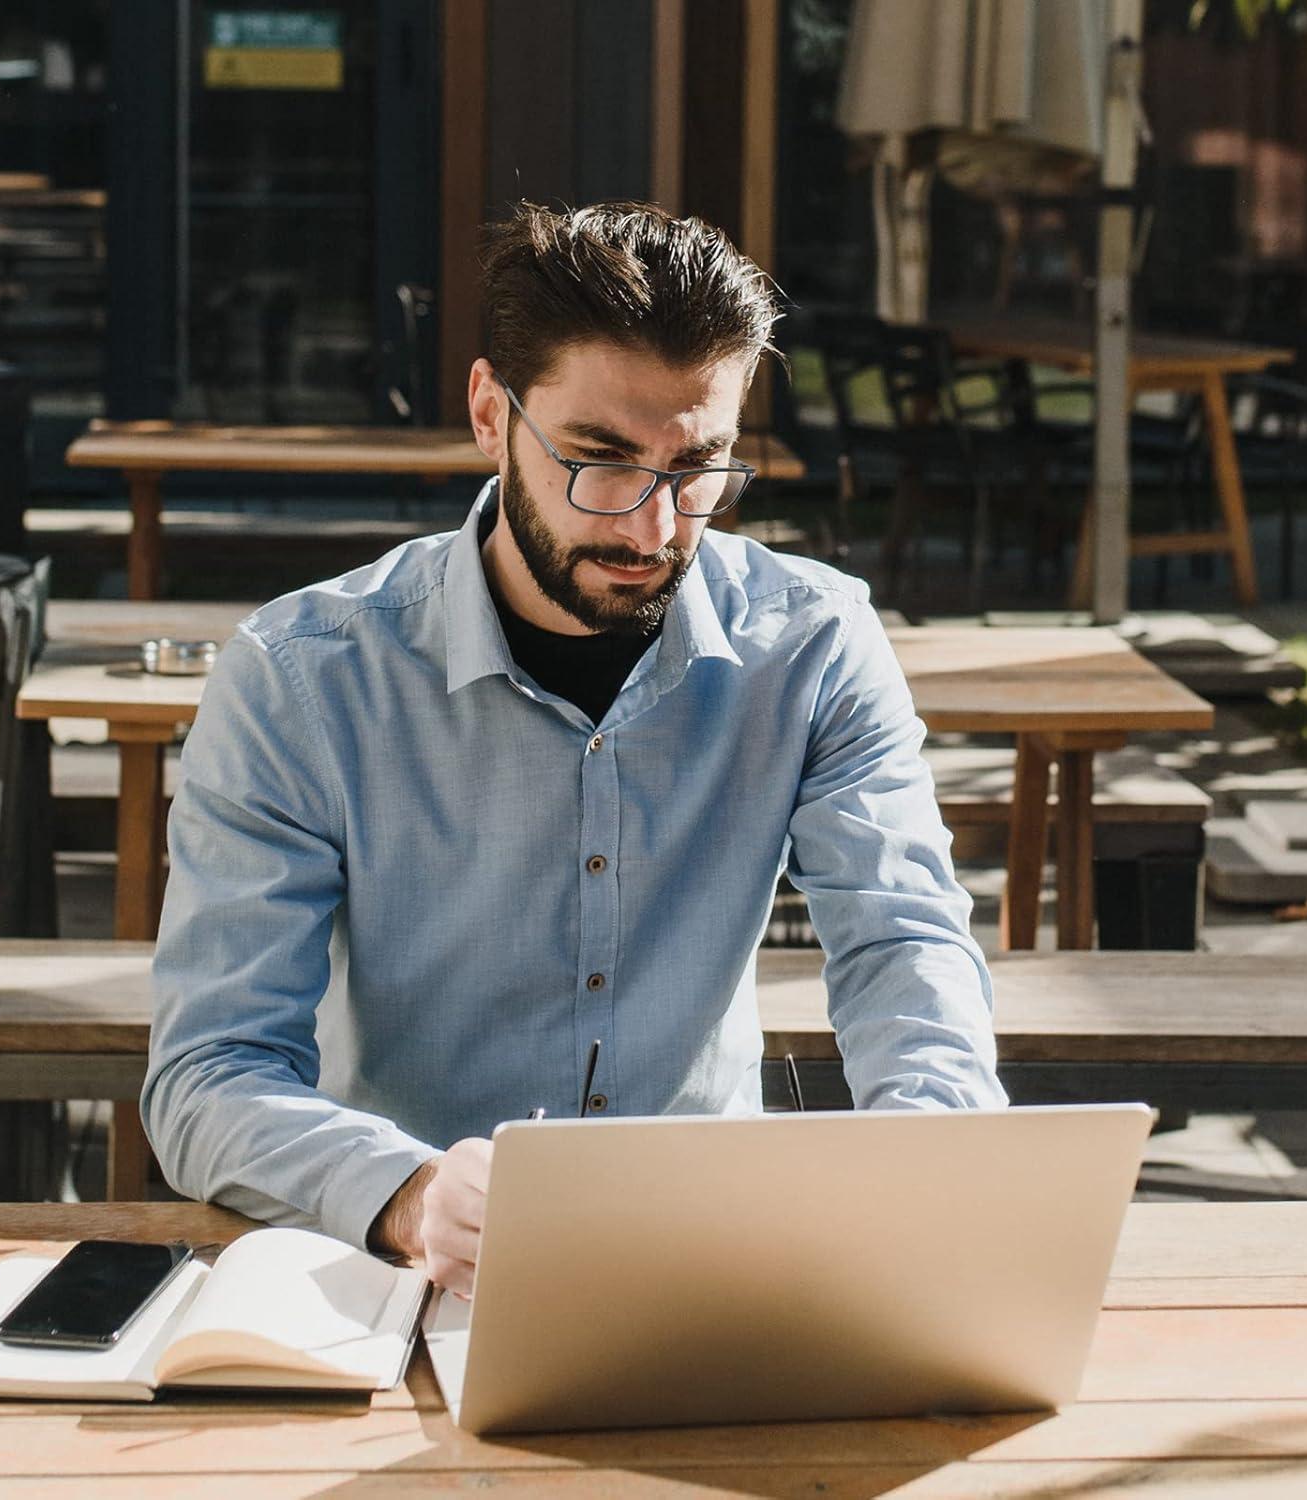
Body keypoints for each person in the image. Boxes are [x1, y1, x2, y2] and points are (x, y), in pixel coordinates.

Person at [143, 201, 1007, 1298]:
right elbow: (208, 1074)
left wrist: (944, 1162)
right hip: (405, 1281)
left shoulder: (816, 642)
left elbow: (906, 947)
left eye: (698, 469)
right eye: (600, 461)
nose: (653, 528)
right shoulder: (301, 673)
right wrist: (409, 1199)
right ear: (488, 414)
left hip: (717, 1260)